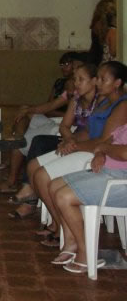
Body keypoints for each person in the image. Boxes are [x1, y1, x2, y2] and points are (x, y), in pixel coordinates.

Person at [30, 61, 127, 257]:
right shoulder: (103, 101)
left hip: (96, 154)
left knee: (42, 176)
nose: (98, 83)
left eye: (103, 79)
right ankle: (60, 225)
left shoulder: (122, 106)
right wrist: (71, 140)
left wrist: (75, 146)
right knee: (34, 167)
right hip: (89, 147)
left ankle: (65, 232)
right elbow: (88, 131)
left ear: (117, 83)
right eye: (98, 78)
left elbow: (104, 141)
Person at [8, 63, 98, 222]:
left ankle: (29, 200)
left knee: (40, 146)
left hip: (86, 146)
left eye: (81, 79)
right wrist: (69, 139)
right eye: (75, 79)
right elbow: (64, 126)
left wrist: (72, 141)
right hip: (72, 139)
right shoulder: (76, 99)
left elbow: (93, 133)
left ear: (94, 81)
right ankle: (29, 188)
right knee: (39, 141)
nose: (76, 83)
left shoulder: (100, 103)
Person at [0, 52, 78, 193]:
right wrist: (27, 110)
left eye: (79, 79)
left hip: (64, 128)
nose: (75, 83)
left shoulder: (89, 99)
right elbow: (50, 105)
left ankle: (11, 181)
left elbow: (68, 122)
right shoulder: (69, 89)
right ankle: (18, 137)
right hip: (56, 123)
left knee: (24, 140)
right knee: (25, 113)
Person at [50, 123, 127, 273]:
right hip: (108, 172)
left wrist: (104, 149)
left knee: (63, 197)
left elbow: (124, 153)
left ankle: (85, 252)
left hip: (121, 181)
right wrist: (100, 153)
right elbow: (104, 144)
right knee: (54, 185)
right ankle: (71, 242)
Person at [88, 0, 116, 65]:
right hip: (103, 61)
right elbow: (113, 52)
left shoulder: (96, 24)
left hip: (96, 59)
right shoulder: (111, 30)